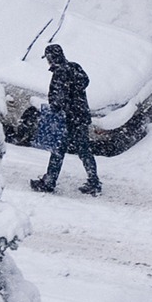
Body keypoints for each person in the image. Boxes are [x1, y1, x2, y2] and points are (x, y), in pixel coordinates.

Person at [30, 44, 102, 196]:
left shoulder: (60, 74)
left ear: (51, 58)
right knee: (84, 150)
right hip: (81, 116)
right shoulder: (75, 67)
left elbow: (59, 100)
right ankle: (94, 181)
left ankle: (49, 182)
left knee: (58, 151)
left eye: (48, 59)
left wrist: (54, 108)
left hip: (68, 119)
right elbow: (84, 83)